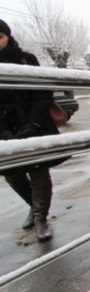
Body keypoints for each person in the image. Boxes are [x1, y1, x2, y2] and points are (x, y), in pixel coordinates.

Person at [0, 19, 65, 242]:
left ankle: (40, 218)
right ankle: (33, 206)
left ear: (7, 36)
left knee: (38, 171)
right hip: (6, 128)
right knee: (12, 173)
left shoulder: (26, 60)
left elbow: (42, 92)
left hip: (32, 121)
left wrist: (34, 123)